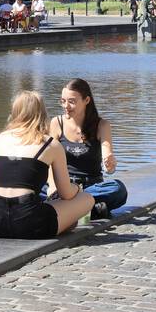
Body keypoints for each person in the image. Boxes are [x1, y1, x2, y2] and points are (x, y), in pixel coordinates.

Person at [0, 90, 93, 239]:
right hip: (31, 225)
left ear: (14, 112)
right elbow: (66, 193)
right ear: (42, 113)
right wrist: (77, 188)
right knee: (87, 199)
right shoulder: (50, 144)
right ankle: (63, 223)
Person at [47, 79, 128, 218]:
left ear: (86, 100)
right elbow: (49, 160)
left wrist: (110, 164)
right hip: (63, 184)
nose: (66, 106)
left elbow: (107, 153)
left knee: (119, 189)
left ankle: (70, 207)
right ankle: (89, 209)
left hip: (90, 187)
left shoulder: (102, 125)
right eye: (63, 101)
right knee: (32, 190)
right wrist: (52, 186)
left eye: (71, 101)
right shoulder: (56, 123)